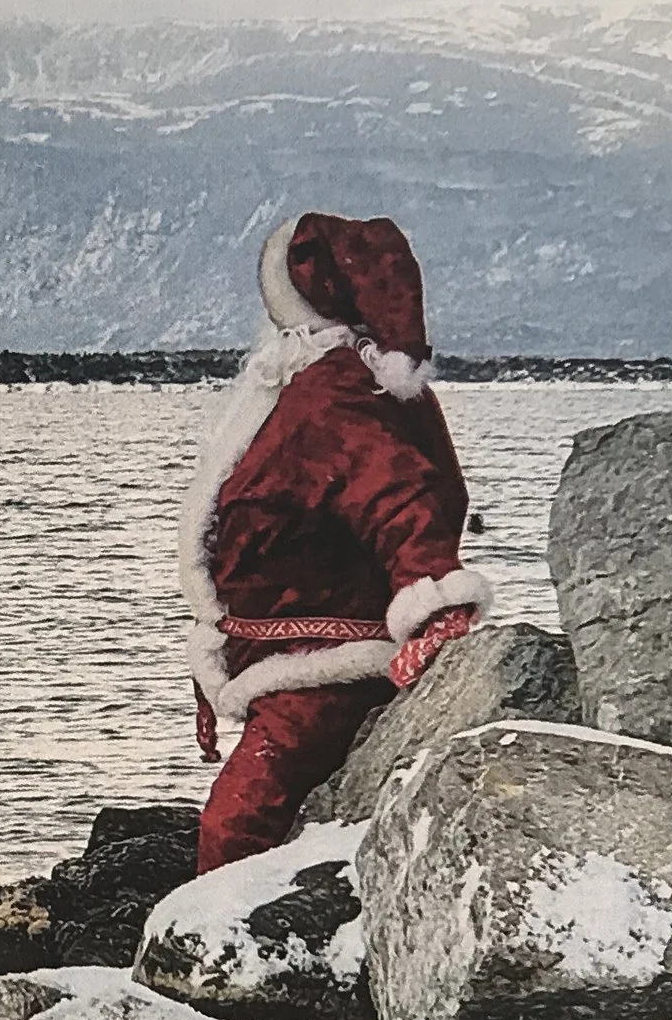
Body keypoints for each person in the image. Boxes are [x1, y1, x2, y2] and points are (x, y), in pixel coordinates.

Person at [178, 212, 490, 871]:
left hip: (325, 665)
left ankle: (224, 958)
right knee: (254, 820)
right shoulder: (331, 381)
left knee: (237, 824)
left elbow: (400, 492)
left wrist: (432, 600)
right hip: (299, 653)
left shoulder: (334, 393)